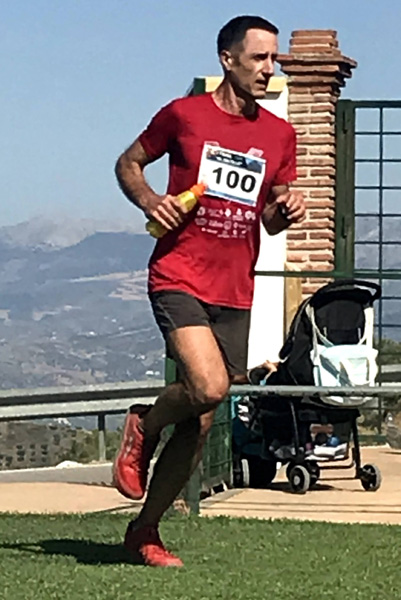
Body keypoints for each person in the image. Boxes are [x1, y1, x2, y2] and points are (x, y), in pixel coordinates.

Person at [113, 14, 306, 567]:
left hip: (235, 289)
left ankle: (145, 531)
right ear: (228, 59)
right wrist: (151, 201)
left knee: (200, 420)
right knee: (209, 386)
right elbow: (128, 163)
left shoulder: (279, 135)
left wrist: (286, 209)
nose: (269, 69)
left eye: (275, 60)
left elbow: (270, 217)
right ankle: (145, 424)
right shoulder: (184, 115)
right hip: (179, 273)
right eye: (260, 58)